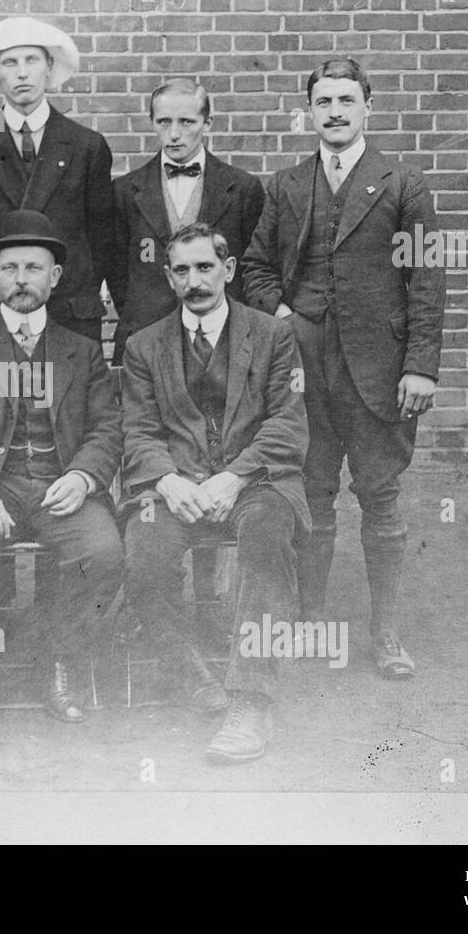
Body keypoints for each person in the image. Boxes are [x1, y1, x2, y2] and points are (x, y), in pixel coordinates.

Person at [240, 58, 446, 679]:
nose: (333, 111)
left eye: (346, 100)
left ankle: (385, 634)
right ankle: (309, 624)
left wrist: (422, 367)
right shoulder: (285, 184)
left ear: (367, 109)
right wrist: (281, 319)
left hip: (380, 372)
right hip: (305, 369)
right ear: (309, 111)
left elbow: (427, 281)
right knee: (312, 496)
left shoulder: (404, 184)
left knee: (381, 499)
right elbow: (253, 266)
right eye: (322, 101)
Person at [0, 210, 124, 760]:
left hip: (61, 485)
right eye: (8, 268)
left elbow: (107, 425)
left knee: (103, 551)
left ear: (55, 277)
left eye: (33, 267)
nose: (20, 279)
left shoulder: (81, 350)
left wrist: (84, 476)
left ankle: (61, 660)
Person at [120, 223, 309, 763]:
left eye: (206, 267)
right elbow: (137, 430)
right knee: (143, 549)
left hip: (255, 483)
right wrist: (167, 480)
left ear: (228, 271)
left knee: (268, 539)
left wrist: (236, 475)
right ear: (169, 277)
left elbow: (288, 424)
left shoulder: (274, 337)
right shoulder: (143, 346)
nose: (195, 280)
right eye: (182, 270)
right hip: (176, 487)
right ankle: (189, 669)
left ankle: (252, 699)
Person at [0, 17, 114, 342]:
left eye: (31, 60)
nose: (22, 73)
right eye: (10, 63)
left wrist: (74, 287)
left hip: (67, 311)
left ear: (48, 66)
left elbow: (102, 237)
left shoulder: (86, 145)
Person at [107, 78, 265, 359]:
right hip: (147, 334)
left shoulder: (242, 189)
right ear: (152, 122)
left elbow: (249, 268)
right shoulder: (124, 192)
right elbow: (118, 273)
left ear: (207, 123)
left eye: (187, 122)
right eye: (164, 122)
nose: (174, 133)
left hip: (222, 336)